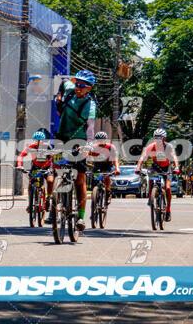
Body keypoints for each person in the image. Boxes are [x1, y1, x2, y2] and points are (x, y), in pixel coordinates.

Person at [54, 69, 98, 231]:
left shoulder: (90, 105)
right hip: (61, 136)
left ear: (89, 88)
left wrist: (89, 144)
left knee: (80, 179)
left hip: (79, 141)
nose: (78, 87)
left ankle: (80, 217)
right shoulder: (70, 88)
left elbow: (90, 126)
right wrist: (59, 97)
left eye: (82, 85)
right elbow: (63, 83)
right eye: (76, 83)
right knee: (56, 170)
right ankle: (54, 203)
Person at [135, 128, 180, 222]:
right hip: (155, 166)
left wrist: (176, 167)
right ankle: (150, 196)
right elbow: (143, 157)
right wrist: (138, 167)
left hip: (166, 167)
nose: (158, 140)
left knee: (167, 188)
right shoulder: (151, 146)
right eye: (156, 138)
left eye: (160, 138)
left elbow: (174, 156)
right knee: (150, 179)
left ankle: (168, 209)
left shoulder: (169, 146)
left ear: (164, 139)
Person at [16, 130, 55, 222]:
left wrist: (54, 167)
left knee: (50, 181)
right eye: (36, 140)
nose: (38, 142)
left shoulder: (47, 147)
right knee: (32, 183)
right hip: (36, 167)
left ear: (43, 141)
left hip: (47, 166)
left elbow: (53, 157)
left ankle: (49, 197)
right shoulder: (31, 147)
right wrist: (19, 165)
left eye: (40, 140)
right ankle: (30, 203)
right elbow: (21, 156)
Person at [87, 131, 121, 205]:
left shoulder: (110, 147)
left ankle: (108, 193)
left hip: (107, 165)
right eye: (98, 140)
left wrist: (117, 169)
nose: (100, 142)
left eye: (102, 140)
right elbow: (87, 152)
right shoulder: (94, 147)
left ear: (105, 140)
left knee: (106, 177)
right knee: (94, 180)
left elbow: (115, 159)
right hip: (97, 165)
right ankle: (95, 194)